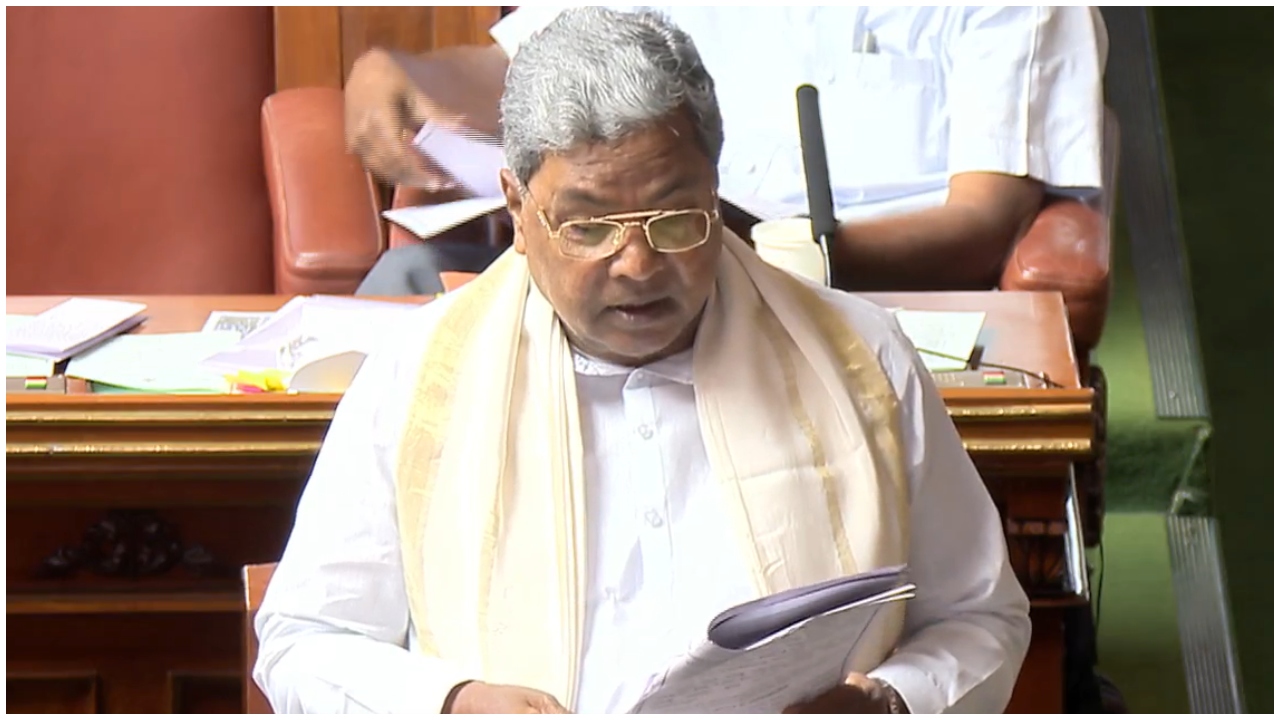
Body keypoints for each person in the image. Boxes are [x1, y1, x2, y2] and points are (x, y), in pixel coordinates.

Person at [256, 7, 1030, 714]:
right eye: (588, 226)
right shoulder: (418, 378)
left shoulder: (863, 357)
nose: (637, 264)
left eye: (676, 218)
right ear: (517, 208)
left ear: (717, 191)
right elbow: (304, 641)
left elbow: (980, 615)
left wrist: (888, 702)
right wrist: (453, 703)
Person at [350, 5, 1108, 296]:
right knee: (407, 280)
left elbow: (984, 221)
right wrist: (393, 72)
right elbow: (521, 65)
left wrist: (765, 252)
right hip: (638, 264)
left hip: (854, 295)